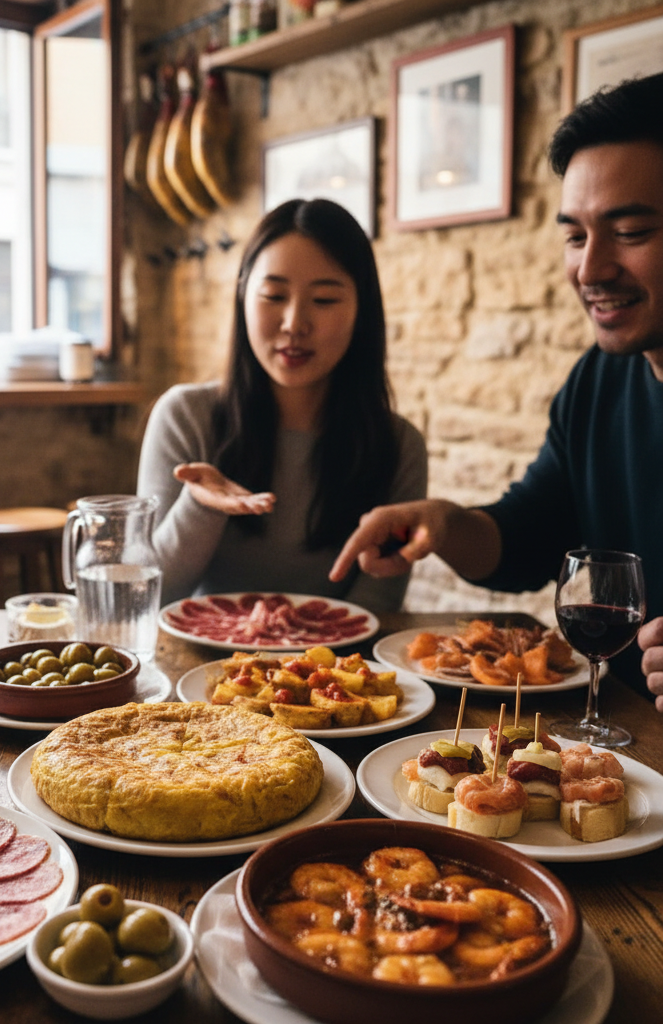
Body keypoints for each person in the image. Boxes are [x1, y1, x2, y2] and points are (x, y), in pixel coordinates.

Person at [329, 71, 663, 703]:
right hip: (625, 746)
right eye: (574, 235)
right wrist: (443, 524)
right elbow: (532, 537)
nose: (589, 268)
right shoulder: (599, 378)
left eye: (630, 233)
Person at [137, 198, 427, 609]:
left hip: (335, 669)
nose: (294, 323)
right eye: (274, 295)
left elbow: (376, 606)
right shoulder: (185, 416)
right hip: (200, 666)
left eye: (324, 300)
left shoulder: (399, 445)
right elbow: (150, 594)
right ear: (242, 297)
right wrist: (201, 508)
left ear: (362, 311)